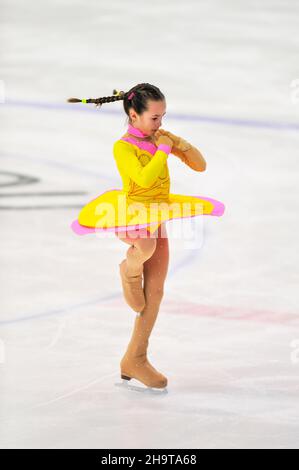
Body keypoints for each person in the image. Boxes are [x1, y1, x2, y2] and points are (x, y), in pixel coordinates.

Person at [68, 83, 225, 391]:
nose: (160, 124)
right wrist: (164, 149)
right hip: (132, 215)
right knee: (146, 246)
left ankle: (135, 358)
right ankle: (129, 268)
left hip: (157, 214)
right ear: (133, 114)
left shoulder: (159, 137)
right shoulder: (123, 147)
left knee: (154, 294)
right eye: (154, 118)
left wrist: (178, 142)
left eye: (163, 116)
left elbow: (200, 165)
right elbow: (143, 178)